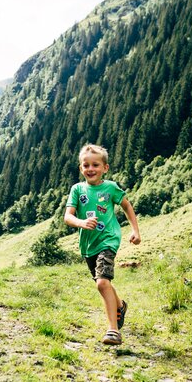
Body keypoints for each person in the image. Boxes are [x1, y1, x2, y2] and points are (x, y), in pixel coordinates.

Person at [64, 144, 141, 345]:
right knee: (103, 281)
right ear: (81, 168)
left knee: (102, 283)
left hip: (108, 239)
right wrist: (81, 223)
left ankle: (113, 330)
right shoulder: (77, 189)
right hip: (88, 245)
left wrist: (135, 230)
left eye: (95, 165)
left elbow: (127, 206)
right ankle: (120, 306)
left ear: (105, 168)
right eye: (86, 165)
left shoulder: (111, 188)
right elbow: (68, 216)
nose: (90, 169)